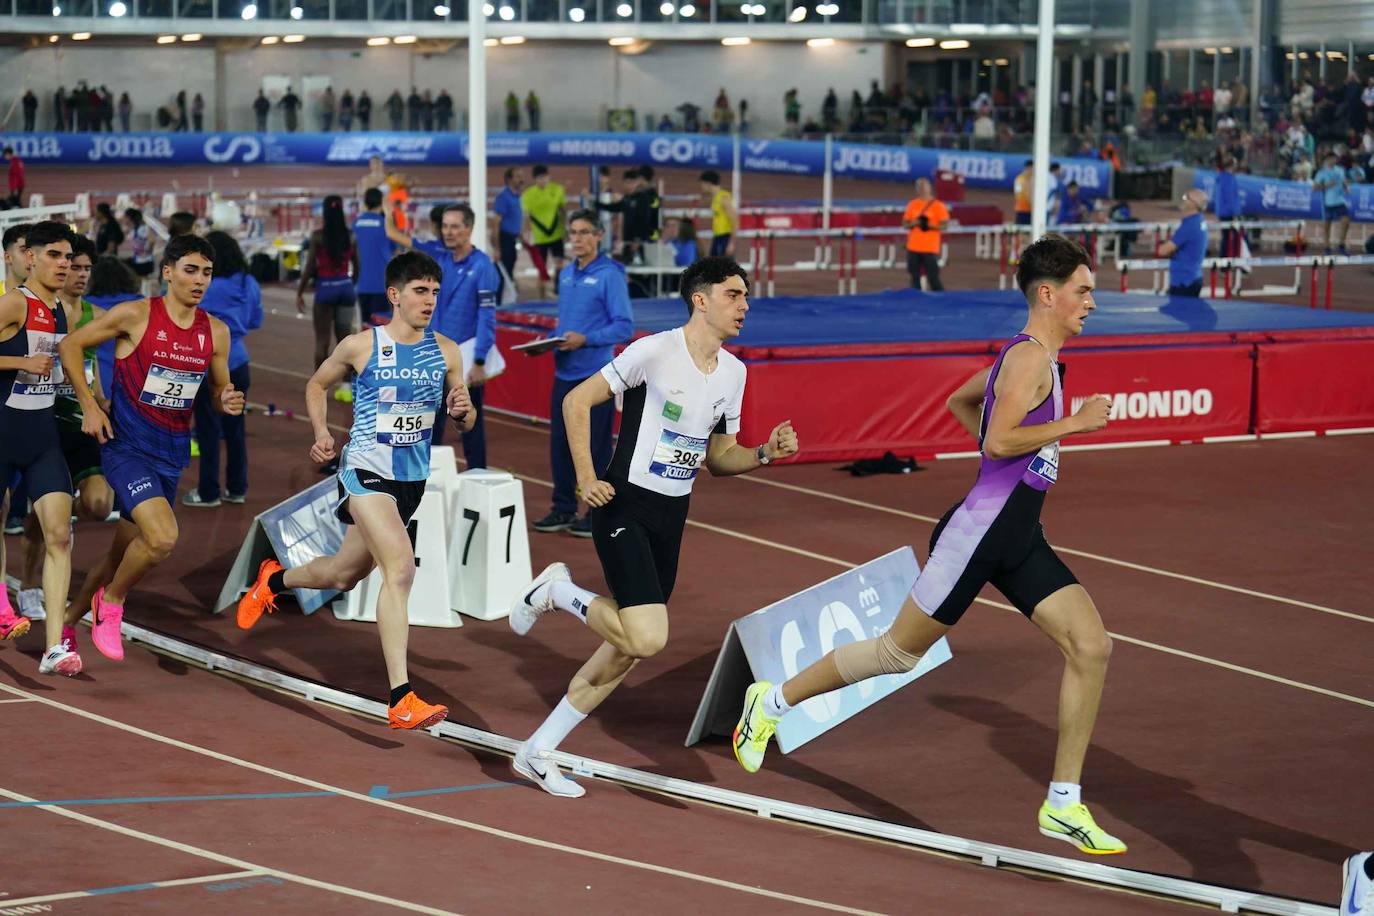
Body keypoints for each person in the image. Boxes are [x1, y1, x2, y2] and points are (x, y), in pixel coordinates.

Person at [733, 234, 1125, 856]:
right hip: (977, 538)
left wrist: (1015, 462)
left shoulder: (1031, 359)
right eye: (1083, 291)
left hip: (1018, 537)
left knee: (1092, 646)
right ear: (1048, 295)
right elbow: (997, 442)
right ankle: (772, 700)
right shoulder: (1028, 360)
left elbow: (961, 402)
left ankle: (1062, 804)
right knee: (895, 655)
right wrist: (1073, 426)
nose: (1091, 303)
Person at [508, 256, 799, 797]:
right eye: (734, 294)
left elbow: (720, 457)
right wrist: (586, 478)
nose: (745, 305)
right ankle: (557, 591)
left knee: (625, 653)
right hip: (624, 504)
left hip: (671, 516)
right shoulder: (653, 352)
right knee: (648, 636)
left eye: (746, 295)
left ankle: (537, 752)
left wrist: (764, 454)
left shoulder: (734, 373)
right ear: (701, 299)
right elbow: (576, 402)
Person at [235, 250, 474, 731]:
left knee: (344, 576)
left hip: (411, 480)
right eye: (420, 291)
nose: (430, 300)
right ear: (395, 295)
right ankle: (401, 697)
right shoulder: (361, 346)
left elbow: (464, 420)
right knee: (401, 569)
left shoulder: (447, 352)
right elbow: (316, 385)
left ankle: (272, 580)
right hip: (365, 472)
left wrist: (463, 410)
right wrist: (321, 433)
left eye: (434, 291)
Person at [57, 234, 244, 665]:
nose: (199, 281)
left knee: (122, 553)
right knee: (162, 539)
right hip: (126, 450)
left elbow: (219, 390)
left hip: (172, 455)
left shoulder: (215, 332)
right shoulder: (135, 316)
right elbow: (70, 345)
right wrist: (89, 404)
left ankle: (66, 624)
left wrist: (226, 399)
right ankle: (113, 604)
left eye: (207, 273)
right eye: (190, 270)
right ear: (168, 272)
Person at [15, 236, 116, 640]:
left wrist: (102, 398)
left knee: (98, 503)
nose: (80, 275)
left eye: (86, 269)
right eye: (74, 266)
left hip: (81, 421)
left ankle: (57, 509)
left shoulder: (98, 315)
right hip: (41, 419)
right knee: (43, 520)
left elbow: (91, 366)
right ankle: (28, 584)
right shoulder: (38, 308)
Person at [0, 222, 79, 672]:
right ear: (29, 257)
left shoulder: (61, 310)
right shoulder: (14, 303)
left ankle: (54, 648)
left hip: (42, 439)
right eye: (54, 255)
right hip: (3, 433)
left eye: (67, 257)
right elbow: (26, 361)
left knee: (60, 536)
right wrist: (20, 361)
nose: (63, 264)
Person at [533, 209, 633, 538]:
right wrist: (549, 342)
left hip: (594, 376)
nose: (577, 238)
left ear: (599, 236)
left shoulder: (610, 275)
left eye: (584, 232)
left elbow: (624, 326)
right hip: (564, 371)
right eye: (573, 233)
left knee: (596, 447)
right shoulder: (565, 273)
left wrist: (586, 340)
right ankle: (562, 508)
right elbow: (569, 323)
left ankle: (596, 513)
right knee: (560, 444)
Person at [385, 203, 498, 465]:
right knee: (425, 427)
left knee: (469, 428)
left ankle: (477, 480)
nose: (448, 232)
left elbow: (487, 316)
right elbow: (395, 234)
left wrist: (480, 360)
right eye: (445, 226)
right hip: (430, 357)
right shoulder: (437, 257)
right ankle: (422, 487)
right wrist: (388, 207)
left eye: (455, 226)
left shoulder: (482, 266)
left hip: (464, 361)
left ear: (469, 228)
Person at [185, 232, 260, 507]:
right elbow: (255, 319)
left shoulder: (201, 283)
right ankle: (237, 488)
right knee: (235, 428)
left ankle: (208, 492)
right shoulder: (247, 282)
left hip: (204, 364)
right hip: (238, 361)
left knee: (207, 429)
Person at [297, 195, 359, 371]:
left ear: (324, 212)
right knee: (345, 342)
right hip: (346, 289)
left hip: (325, 290)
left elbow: (309, 268)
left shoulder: (317, 236)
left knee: (322, 341)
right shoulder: (351, 236)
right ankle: (347, 387)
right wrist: (348, 285)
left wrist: (300, 291)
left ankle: (320, 387)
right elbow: (358, 266)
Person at [595, 167, 661, 266]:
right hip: (627, 242)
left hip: (640, 244)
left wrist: (639, 240)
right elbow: (615, 207)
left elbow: (645, 221)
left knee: (642, 271)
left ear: (636, 183)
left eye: (631, 182)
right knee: (626, 268)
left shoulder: (643, 198)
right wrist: (595, 203)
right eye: (626, 183)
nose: (628, 186)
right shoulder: (627, 198)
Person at [521, 164, 568, 299]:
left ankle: (558, 288)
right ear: (535, 179)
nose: (544, 180)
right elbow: (526, 217)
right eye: (540, 178)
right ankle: (542, 299)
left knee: (559, 263)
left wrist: (565, 228)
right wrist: (526, 234)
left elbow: (563, 210)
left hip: (556, 235)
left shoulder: (558, 189)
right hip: (539, 238)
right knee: (542, 270)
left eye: (546, 177)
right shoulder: (528, 195)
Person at [353, 188, 396, 327]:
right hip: (381, 284)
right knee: (381, 330)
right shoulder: (386, 225)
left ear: (365, 203)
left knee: (366, 328)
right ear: (381, 203)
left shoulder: (355, 224)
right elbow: (394, 251)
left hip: (361, 284)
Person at [1159, 188, 1208, 297]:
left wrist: (1167, 246)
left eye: (1186, 197)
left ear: (1193, 204)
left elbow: (1163, 250)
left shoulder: (1190, 226)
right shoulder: (1199, 220)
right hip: (1192, 277)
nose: (1182, 200)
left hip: (1184, 280)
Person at [902, 177, 949, 291]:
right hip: (913, 247)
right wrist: (915, 223)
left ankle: (941, 300)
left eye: (924, 187)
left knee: (933, 278)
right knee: (914, 278)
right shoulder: (912, 204)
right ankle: (916, 301)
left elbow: (944, 226)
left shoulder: (938, 206)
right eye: (920, 187)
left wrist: (928, 225)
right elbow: (905, 224)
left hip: (930, 248)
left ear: (930, 188)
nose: (922, 189)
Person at [1314, 151, 1354, 255]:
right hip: (1328, 202)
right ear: (1327, 160)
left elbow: (1343, 181)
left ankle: (1341, 244)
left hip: (1340, 201)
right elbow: (1315, 188)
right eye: (1331, 158)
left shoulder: (1340, 170)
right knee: (1327, 226)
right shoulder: (1322, 172)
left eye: (1334, 158)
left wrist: (1346, 187)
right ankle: (1327, 247)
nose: (1333, 160)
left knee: (1346, 221)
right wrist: (1327, 185)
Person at [492, 167, 526, 282]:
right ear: (509, 179)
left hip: (512, 239)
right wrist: (497, 248)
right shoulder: (504, 197)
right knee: (503, 273)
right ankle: (501, 298)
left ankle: (507, 296)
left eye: (522, 176)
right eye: (518, 176)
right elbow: (496, 222)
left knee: (509, 270)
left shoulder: (517, 196)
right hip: (505, 239)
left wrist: (519, 234)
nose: (521, 179)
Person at [699, 170, 736, 257]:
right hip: (717, 237)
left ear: (708, 183)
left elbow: (735, 220)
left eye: (702, 184)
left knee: (723, 268)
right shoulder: (715, 198)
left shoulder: (723, 198)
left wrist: (731, 243)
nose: (701, 187)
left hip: (724, 237)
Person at [1212, 152, 1242, 258]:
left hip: (1223, 212)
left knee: (1226, 237)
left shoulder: (1220, 177)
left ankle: (1224, 261)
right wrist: (1234, 214)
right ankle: (1232, 261)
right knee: (1237, 237)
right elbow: (1230, 198)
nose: (1237, 166)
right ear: (1231, 165)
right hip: (1229, 213)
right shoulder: (1229, 179)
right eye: (1235, 164)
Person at [123, 208, 155, 288]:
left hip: (144, 260)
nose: (124, 219)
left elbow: (152, 240)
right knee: (140, 280)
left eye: (125, 217)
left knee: (142, 281)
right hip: (138, 259)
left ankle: (145, 297)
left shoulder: (143, 228)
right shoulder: (134, 229)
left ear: (130, 218)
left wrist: (147, 252)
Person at [1013, 159, 1034, 226]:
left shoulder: (1033, 179)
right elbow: (1018, 195)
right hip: (1022, 210)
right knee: (1022, 232)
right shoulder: (1019, 180)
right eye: (1033, 168)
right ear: (1028, 168)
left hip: (1032, 211)